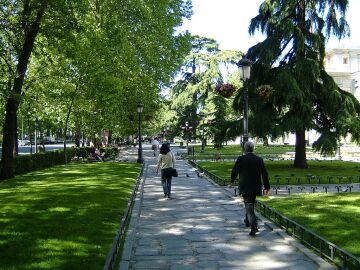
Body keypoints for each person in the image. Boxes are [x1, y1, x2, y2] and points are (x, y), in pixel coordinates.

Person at [231, 141, 271, 236]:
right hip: (255, 186)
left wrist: (232, 179)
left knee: (248, 204)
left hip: (244, 185)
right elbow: (264, 174)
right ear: (253, 148)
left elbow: (234, 171)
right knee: (250, 203)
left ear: (245, 149)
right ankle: (248, 221)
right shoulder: (259, 159)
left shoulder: (241, 159)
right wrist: (267, 187)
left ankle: (254, 226)